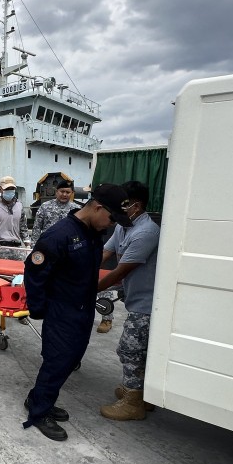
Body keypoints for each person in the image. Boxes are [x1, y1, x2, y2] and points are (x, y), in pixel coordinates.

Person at [22, 183, 131, 441]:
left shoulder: (92, 232)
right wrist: (39, 310)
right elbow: (34, 273)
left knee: (72, 360)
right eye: (112, 217)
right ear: (97, 207)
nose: (112, 224)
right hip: (62, 310)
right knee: (57, 361)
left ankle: (37, 397)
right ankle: (39, 411)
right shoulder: (59, 235)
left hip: (82, 308)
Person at [98, 180, 161, 421]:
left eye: (122, 204)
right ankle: (141, 394)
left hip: (148, 303)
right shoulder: (123, 226)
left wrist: (86, 288)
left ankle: (134, 402)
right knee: (141, 350)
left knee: (130, 349)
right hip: (134, 298)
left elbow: (120, 271)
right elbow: (105, 254)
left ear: (137, 205)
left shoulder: (146, 232)